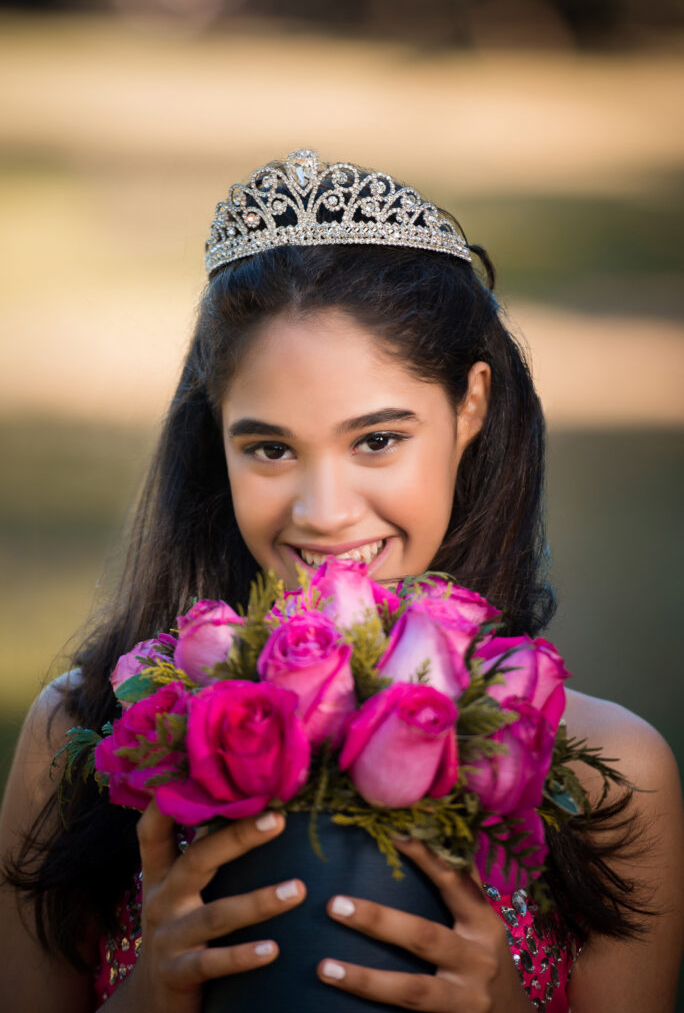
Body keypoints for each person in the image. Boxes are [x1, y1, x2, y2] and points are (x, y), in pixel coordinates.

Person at [1, 148, 682, 1013]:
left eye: (377, 440)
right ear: (215, 436)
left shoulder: (612, 776)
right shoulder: (83, 734)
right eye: (271, 448)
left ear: (469, 405)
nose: (324, 513)